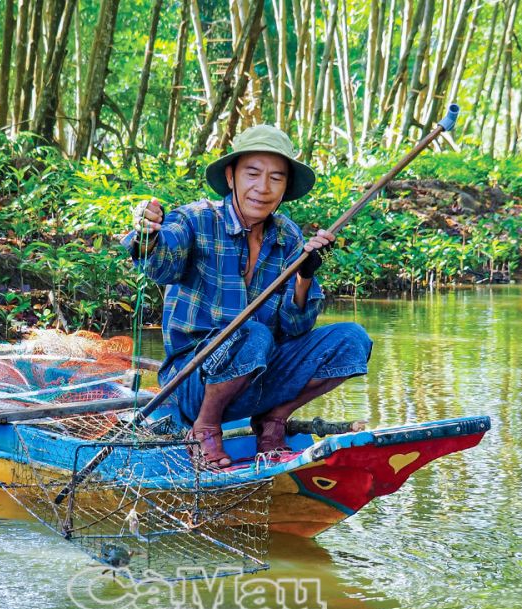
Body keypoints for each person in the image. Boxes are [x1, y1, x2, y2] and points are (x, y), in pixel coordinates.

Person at [122, 125, 372, 468]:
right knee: (252, 333)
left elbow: (296, 328)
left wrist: (305, 274)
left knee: (351, 340)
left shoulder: (287, 234)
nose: (263, 188)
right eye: (252, 174)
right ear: (231, 176)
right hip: (193, 380)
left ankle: (273, 421)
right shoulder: (196, 219)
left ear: (285, 187)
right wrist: (148, 233)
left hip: (258, 374)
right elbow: (160, 262)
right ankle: (205, 428)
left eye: (275, 178)